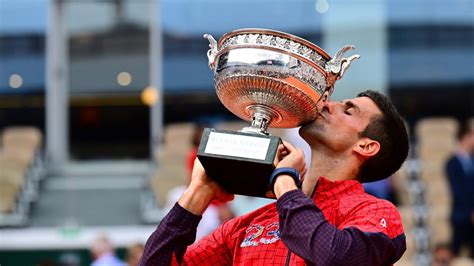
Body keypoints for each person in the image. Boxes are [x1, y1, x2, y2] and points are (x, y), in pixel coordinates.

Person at [140, 90, 409, 265]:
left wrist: (284, 181)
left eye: (348, 111)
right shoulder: (247, 226)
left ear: (366, 146)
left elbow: (335, 256)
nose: (327, 104)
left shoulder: (375, 212)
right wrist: (198, 192)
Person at [445, 121, 474, 258]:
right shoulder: (452, 163)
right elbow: (457, 190)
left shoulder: (472, 160)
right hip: (461, 214)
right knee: (455, 252)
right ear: (465, 137)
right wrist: (470, 211)